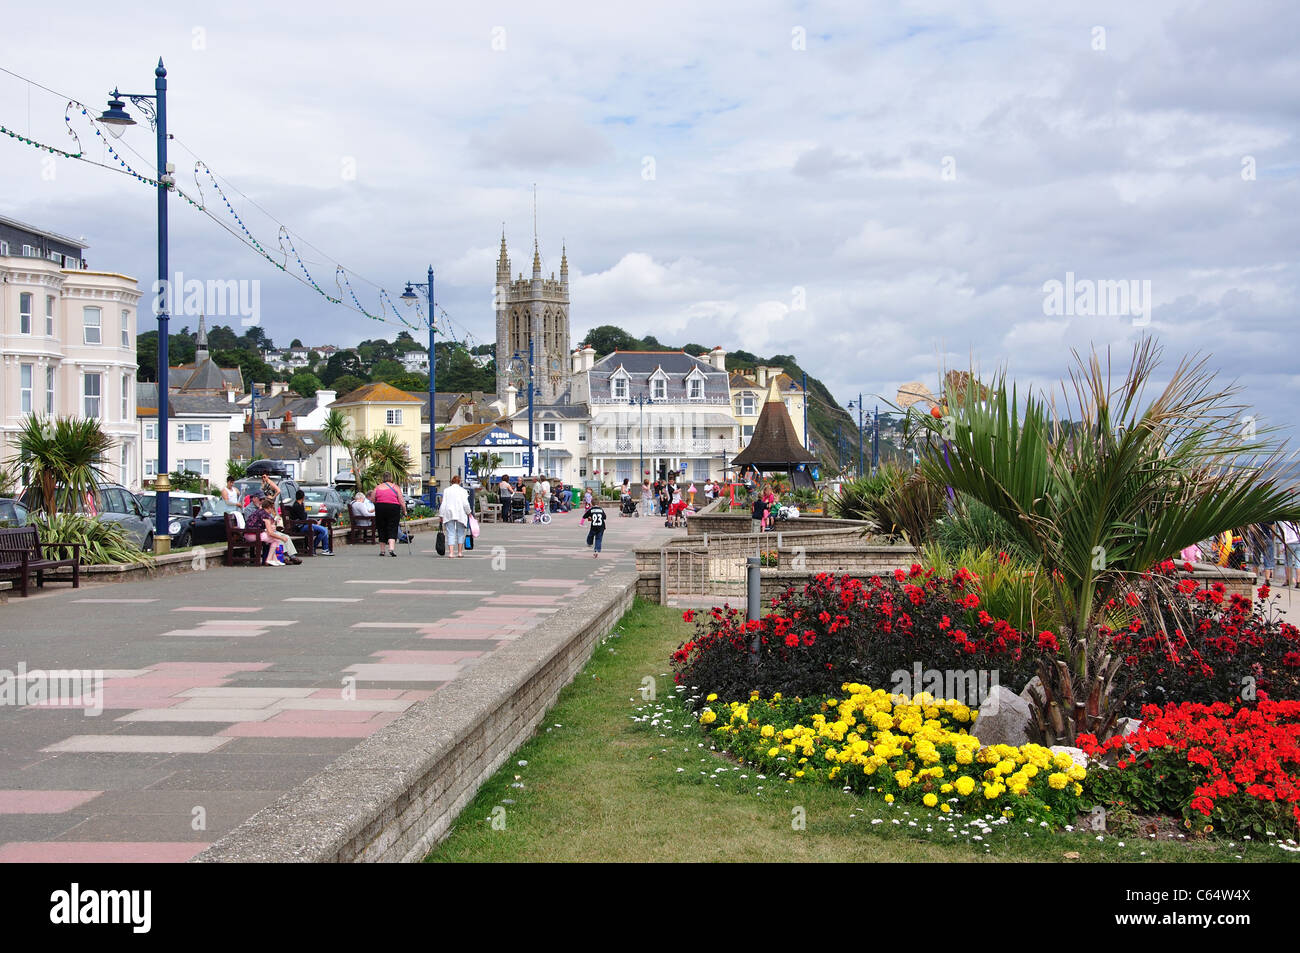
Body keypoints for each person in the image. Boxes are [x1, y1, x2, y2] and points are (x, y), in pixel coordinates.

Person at [369, 473, 406, 557]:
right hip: (393, 508)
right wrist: (404, 511)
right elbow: (402, 501)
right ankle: (391, 548)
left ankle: (382, 551)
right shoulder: (395, 487)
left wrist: (379, 503)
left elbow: (372, 499)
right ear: (391, 478)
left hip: (380, 508)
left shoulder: (377, 487)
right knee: (392, 527)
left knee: (381, 527)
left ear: (383, 478)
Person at [290, 489, 333, 555]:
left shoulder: (299, 505)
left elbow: (304, 518)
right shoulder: (297, 506)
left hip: (304, 524)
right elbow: (303, 518)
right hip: (301, 527)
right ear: (303, 497)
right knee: (324, 530)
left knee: (323, 530)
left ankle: (321, 548)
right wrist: (314, 522)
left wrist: (314, 522)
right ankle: (315, 548)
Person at [440, 474, 473, 557]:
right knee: (460, 532)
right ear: (459, 482)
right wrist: (469, 513)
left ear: (452, 481)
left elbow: (443, 504)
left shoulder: (446, 490)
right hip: (460, 513)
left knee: (450, 532)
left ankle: (451, 553)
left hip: (449, 513)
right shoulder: (463, 491)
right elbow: (466, 504)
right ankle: (459, 552)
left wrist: (441, 514)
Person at [260, 497, 301, 564]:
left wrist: (274, 524)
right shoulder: (261, 512)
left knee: (286, 536)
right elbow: (261, 524)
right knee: (278, 538)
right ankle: (282, 557)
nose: (272, 509)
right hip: (265, 531)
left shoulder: (268, 513)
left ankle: (292, 556)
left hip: (271, 530)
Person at [243, 499, 281, 566]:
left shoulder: (259, 512)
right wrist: (282, 538)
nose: (273, 510)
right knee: (276, 539)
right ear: (269, 508)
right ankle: (269, 559)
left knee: (272, 539)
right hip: (254, 535)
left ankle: (274, 559)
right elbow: (270, 532)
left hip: (248, 534)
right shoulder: (265, 515)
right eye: (272, 508)